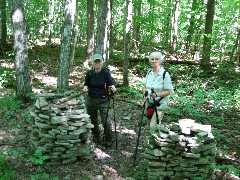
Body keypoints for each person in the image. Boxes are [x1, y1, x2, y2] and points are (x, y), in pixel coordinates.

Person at [83, 54, 116, 148]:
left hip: (103, 100)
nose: (97, 63)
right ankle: (96, 137)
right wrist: (85, 88)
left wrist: (113, 88)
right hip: (91, 100)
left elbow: (111, 83)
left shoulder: (106, 73)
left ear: (102, 62)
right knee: (93, 120)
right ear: (92, 62)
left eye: (99, 61)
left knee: (105, 121)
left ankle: (108, 139)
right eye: (95, 61)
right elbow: (86, 84)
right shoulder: (89, 73)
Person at [142, 51, 173, 131]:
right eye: (152, 59)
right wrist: (145, 95)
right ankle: (150, 141)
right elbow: (145, 87)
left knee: (153, 126)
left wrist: (157, 95)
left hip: (160, 104)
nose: (154, 61)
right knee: (149, 123)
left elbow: (168, 91)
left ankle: (156, 142)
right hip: (149, 103)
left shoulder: (165, 74)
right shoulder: (149, 72)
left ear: (160, 61)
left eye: (156, 59)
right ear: (150, 61)